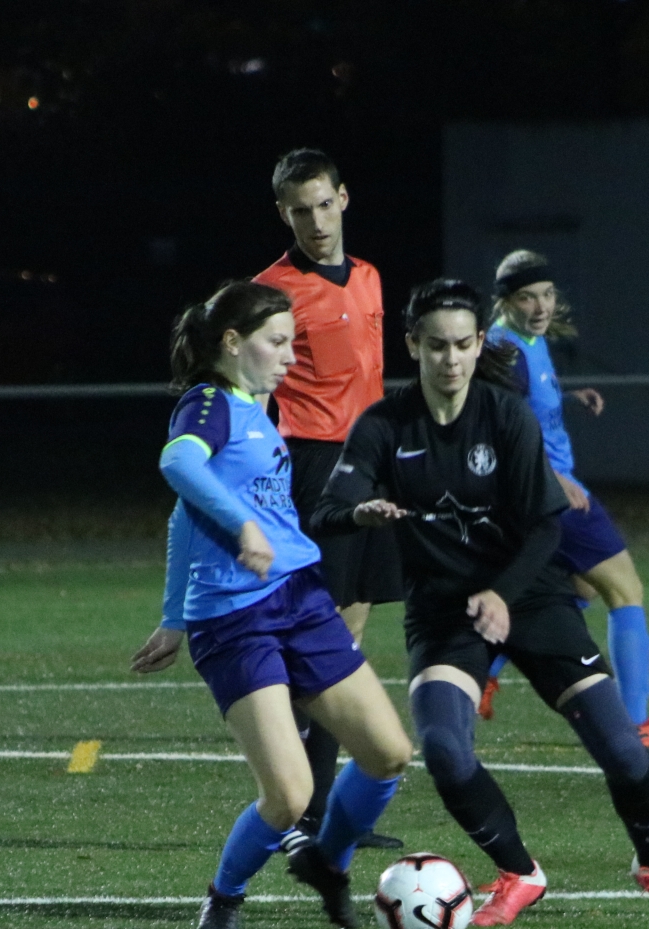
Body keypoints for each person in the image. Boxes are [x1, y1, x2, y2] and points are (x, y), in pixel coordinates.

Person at [311, 278, 649, 927]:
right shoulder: (384, 425)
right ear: (413, 346)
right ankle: (521, 873)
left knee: (625, 751)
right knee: (444, 749)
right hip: (444, 610)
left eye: (462, 344)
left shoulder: (506, 417)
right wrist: (361, 512)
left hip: (532, 594)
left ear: (477, 345)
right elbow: (328, 509)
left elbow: (546, 526)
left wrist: (502, 592)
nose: (451, 358)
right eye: (437, 345)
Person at [130, 281, 413, 929]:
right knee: (287, 795)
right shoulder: (208, 403)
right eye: (277, 342)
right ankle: (224, 897)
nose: (290, 356)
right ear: (232, 343)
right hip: (235, 619)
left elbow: (183, 516)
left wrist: (171, 613)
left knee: (389, 754)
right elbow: (178, 465)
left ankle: (328, 864)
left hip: (300, 599)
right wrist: (237, 534)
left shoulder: (259, 408)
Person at [253, 148, 406, 850]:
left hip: (370, 465)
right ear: (282, 214)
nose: (315, 222)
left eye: (323, 204)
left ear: (343, 199)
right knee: (318, 644)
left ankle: (323, 813)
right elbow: (252, 387)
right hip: (315, 465)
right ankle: (298, 810)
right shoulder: (271, 291)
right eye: (299, 211)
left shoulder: (369, 276)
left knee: (349, 636)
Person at [478, 251, 649, 748]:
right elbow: (500, 430)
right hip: (550, 490)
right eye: (527, 297)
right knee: (626, 590)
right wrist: (552, 477)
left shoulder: (527, 341)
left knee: (580, 587)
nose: (541, 306)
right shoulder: (504, 352)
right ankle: (635, 723)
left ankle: (485, 669)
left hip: (544, 487)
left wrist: (568, 398)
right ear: (505, 300)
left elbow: (528, 407)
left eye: (547, 294)